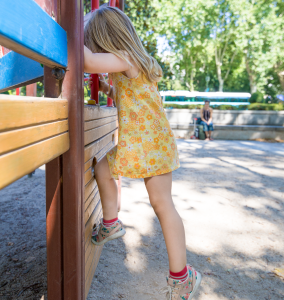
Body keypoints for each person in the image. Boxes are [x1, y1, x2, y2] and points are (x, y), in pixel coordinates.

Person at [82, 6, 200, 299]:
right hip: (145, 143)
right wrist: (110, 88)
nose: (96, 51)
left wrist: (69, 35)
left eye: (96, 43)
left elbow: (86, 60)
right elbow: (128, 92)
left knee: (162, 204)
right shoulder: (130, 63)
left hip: (148, 144)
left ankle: (181, 278)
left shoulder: (126, 57)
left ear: (107, 40)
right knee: (102, 169)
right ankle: (111, 223)